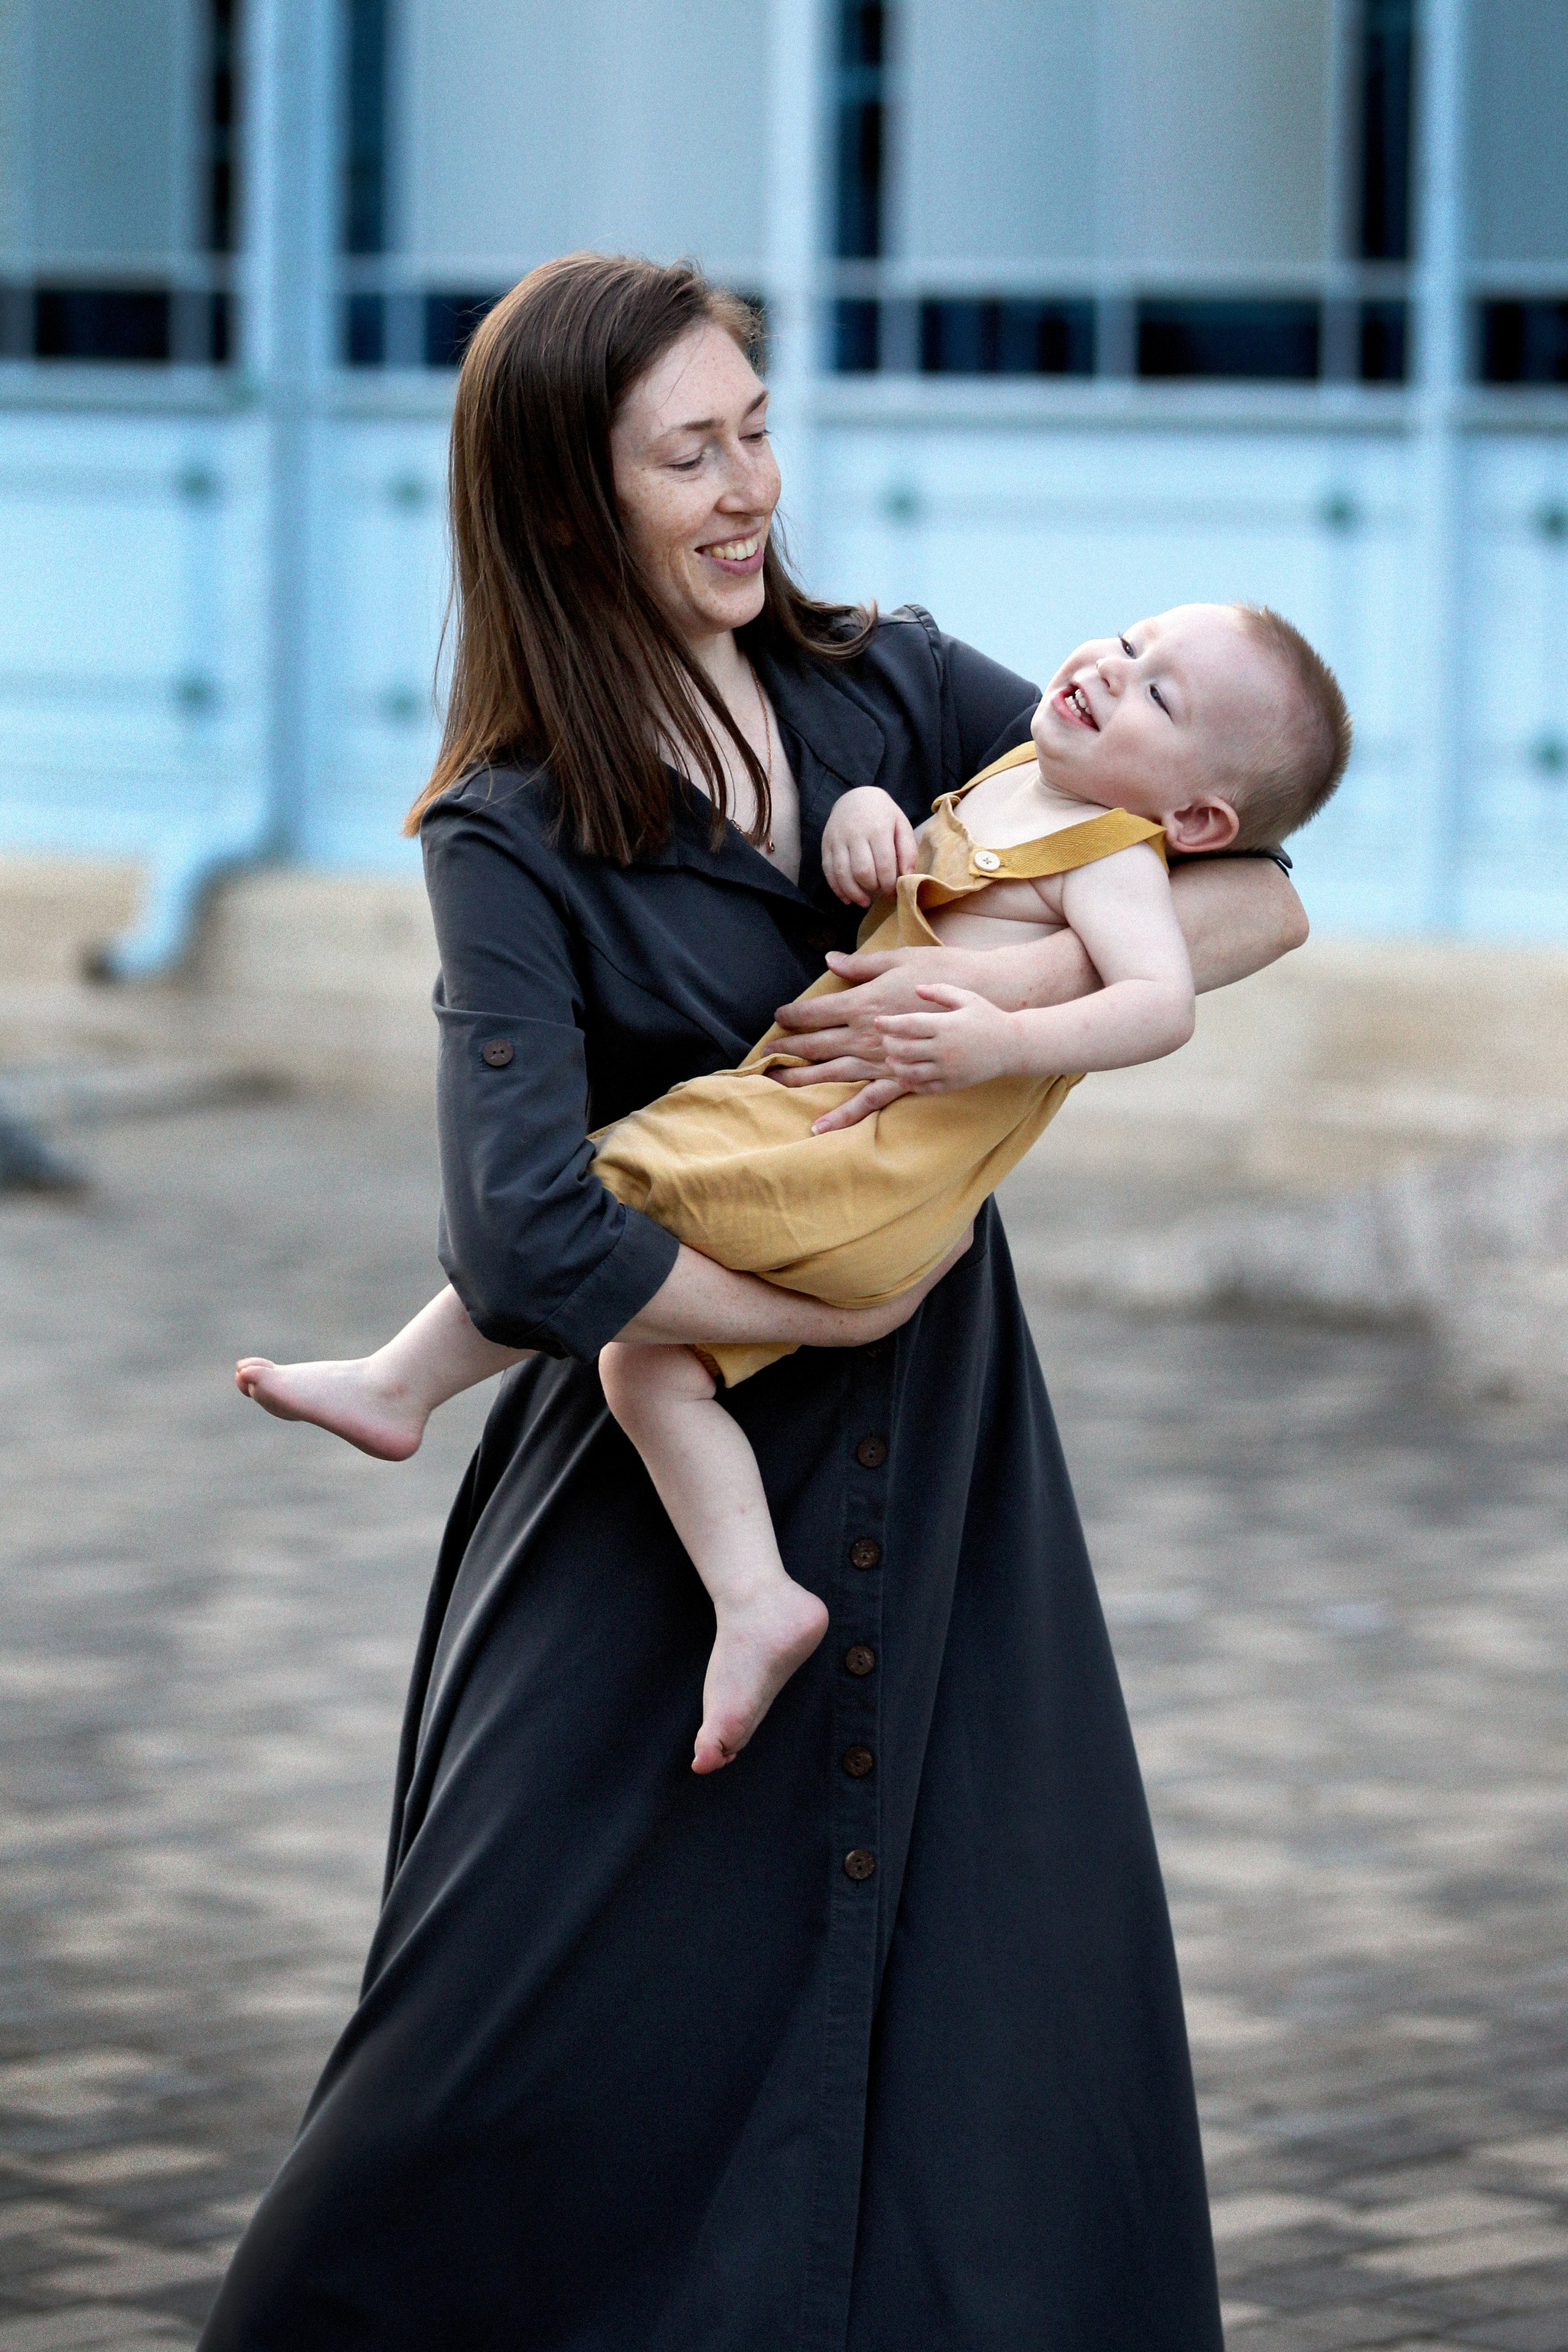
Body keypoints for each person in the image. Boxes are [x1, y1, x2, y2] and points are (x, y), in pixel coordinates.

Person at [200, 252, 1310, 2351]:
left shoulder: (890, 680)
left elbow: (1249, 883)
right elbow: (527, 1238)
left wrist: (993, 984)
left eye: (759, 430)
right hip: (650, 1480)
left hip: (951, 1469)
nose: (750, 490)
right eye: (689, 453)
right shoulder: (508, 829)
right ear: (561, 509)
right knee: (496, 2063)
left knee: (995, 2067)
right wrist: (799, 1315)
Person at [236, 600, 1349, 1777]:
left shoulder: (1112, 855)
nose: (1110, 672)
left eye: (1161, 696)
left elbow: (1159, 1003)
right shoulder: (1022, 769)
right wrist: (872, 817)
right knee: (644, 1365)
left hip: (857, 1153)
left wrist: (1002, 1037)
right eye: (1129, 644)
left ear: (1198, 818)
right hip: (822, 1132)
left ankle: (400, 1382)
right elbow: (930, 869)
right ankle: (758, 1599)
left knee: (622, 1182)